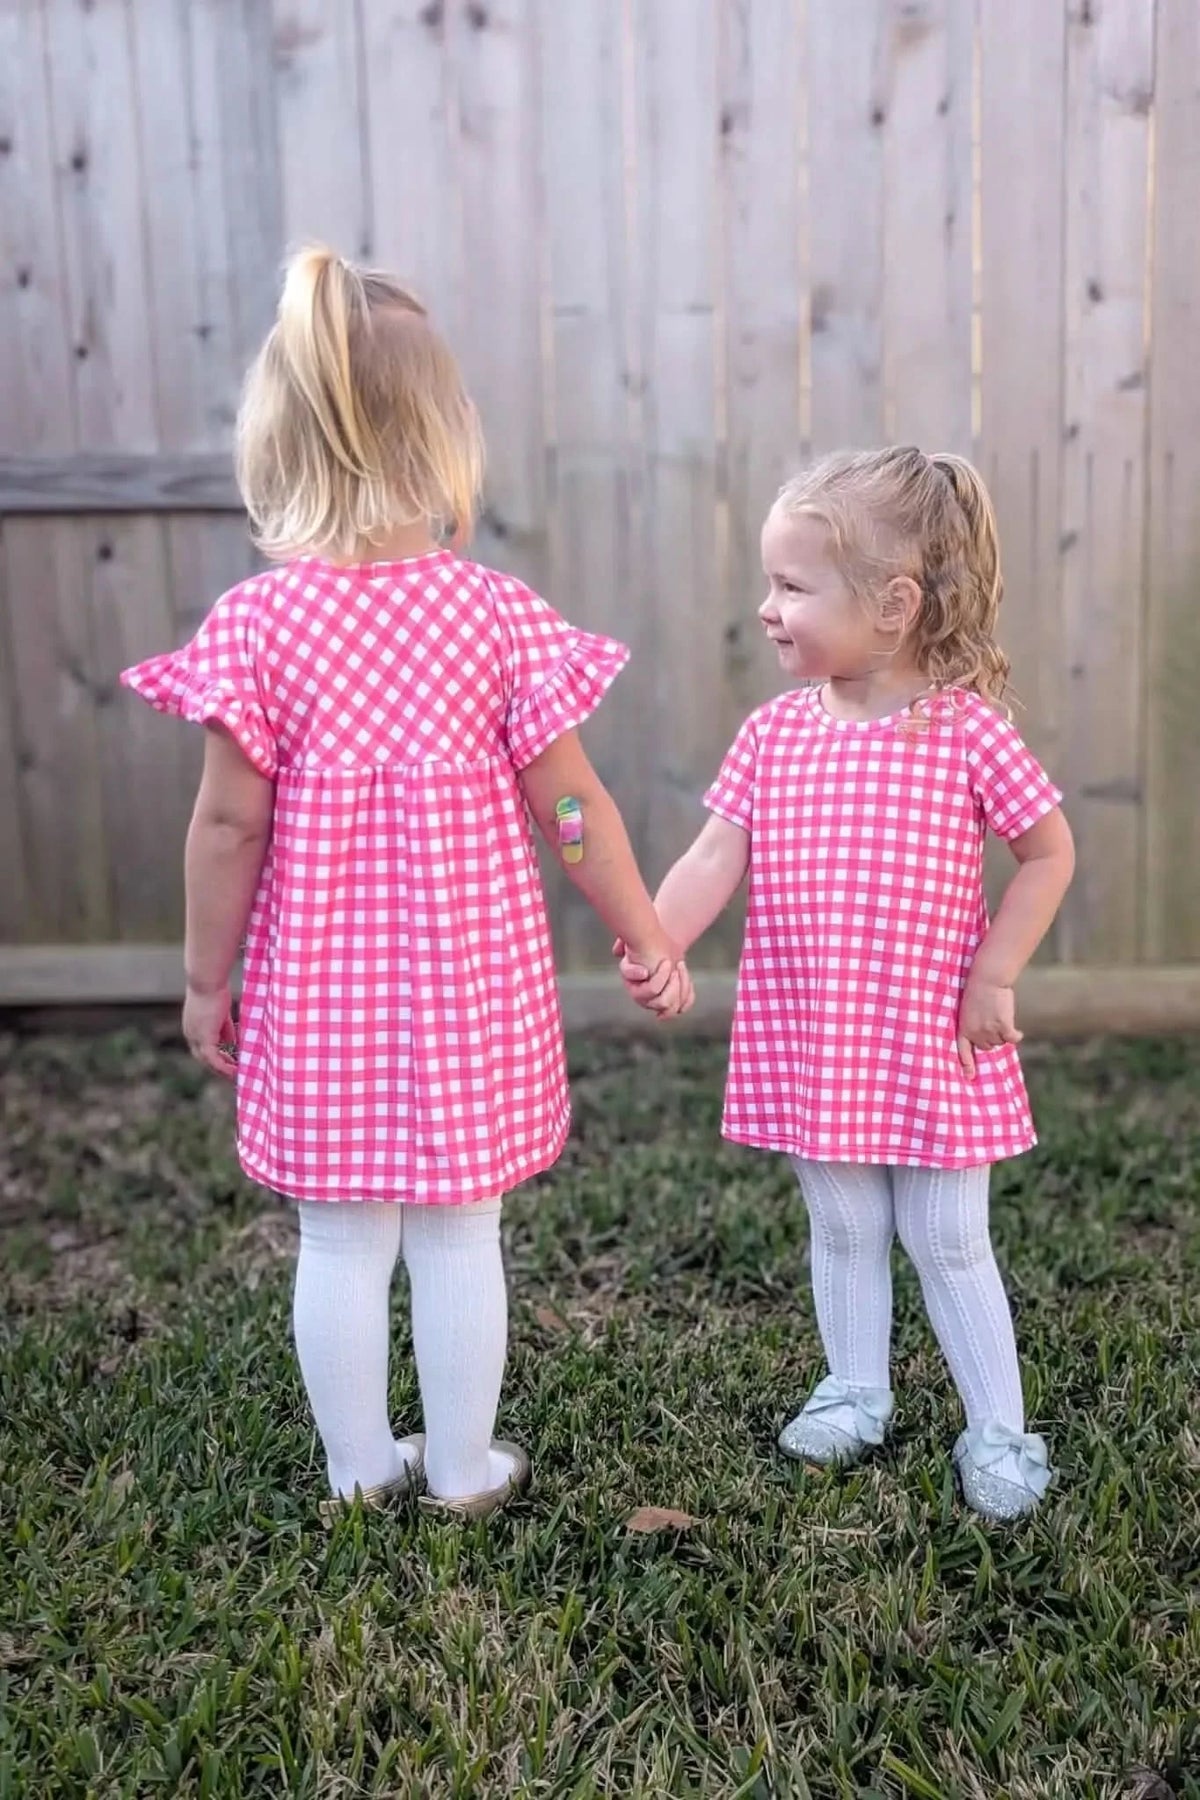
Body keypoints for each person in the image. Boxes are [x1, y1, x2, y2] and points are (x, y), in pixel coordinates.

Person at [123, 245, 691, 1524]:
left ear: (276, 445)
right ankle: (461, 1469)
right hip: (467, 996)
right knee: (455, 1236)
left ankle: (356, 1471)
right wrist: (643, 929)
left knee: (338, 1240)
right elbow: (571, 805)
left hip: (319, 997)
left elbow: (227, 828)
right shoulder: (490, 616)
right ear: (447, 441)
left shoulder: (261, 625)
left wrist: (206, 977)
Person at [620, 447, 1074, 1521]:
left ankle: (1000, 1431)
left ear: (893, 605)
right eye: (770, 584)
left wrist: (996, 972)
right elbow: (715, 856)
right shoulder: (774, 735)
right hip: (815, 1036)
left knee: (950, 1236)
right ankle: (856, 1389)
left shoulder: (963, 729)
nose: (766, 609)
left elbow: (1049, 853)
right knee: (842, 1224)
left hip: (930, 1036)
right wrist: (660, 936)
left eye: (791, 586)